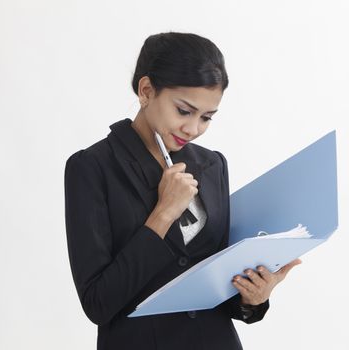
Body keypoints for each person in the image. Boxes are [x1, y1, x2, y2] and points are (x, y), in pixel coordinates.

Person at [64, 31, 302, 350]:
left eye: (206, 117)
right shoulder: (92, 167)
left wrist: (253, 297)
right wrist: (163, 214)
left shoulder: (212, 164)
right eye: (184, 111)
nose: (193, 129)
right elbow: (98, 304)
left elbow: (215, 282)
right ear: (146, 90)